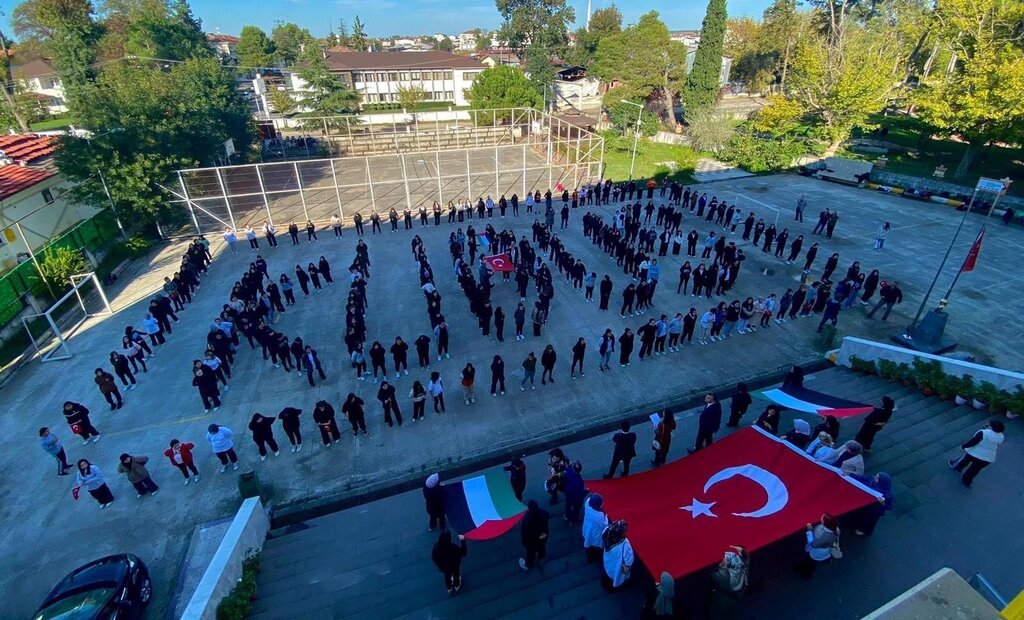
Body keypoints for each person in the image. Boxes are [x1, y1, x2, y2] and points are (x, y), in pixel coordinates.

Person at [949, 420, 1005, 488]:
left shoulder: (983, 433)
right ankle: (966, 480)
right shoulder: (1001, 437)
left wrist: (963, 446)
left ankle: (957, 468)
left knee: (964, 460)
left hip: (974, 452)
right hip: (987, 458)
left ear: (991, 427)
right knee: (974, 470)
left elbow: (973, 442)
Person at [797, 513, 839, 579]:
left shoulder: (820, 535)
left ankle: (807, 574)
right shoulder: (837, 530)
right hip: (827, 550)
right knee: (826, 557)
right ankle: (827, 560)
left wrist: (810, 531)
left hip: (817, 553)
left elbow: (812, 544)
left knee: (811, 562)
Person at [601, 520, 635, 591]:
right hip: (617, 569)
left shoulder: (607, 533)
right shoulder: (625, 545)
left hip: (608, 564)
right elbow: (629, 562)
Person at [431, 530, 467, 595]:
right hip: (455, 565)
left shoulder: (436, 548)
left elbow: (433, 557)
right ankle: (457, 585)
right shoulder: (454, 548)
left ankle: (449, 588)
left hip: (443, 567)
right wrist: (462, 540)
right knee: (456, 573)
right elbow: (463, 553)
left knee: (447, 575)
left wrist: (439, 564)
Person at [518, 500, 550, 571]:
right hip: (543, 536)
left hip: (532, 541)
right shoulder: (544, 513)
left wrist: (524, 543)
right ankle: (542, 559)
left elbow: (524, 533)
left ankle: (529, 565)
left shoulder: (526, 520)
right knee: (541, 547)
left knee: (530, 553)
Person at [582, 494, 610, 563]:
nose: (603, 503)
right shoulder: (599, 516)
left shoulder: (587, 503)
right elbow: (604, 524)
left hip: (587, 527)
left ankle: (589, 557)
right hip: (595, 533)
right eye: (601, 503)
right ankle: (594, 557)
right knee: (595, 545)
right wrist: (606, 517)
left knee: (588, 541)